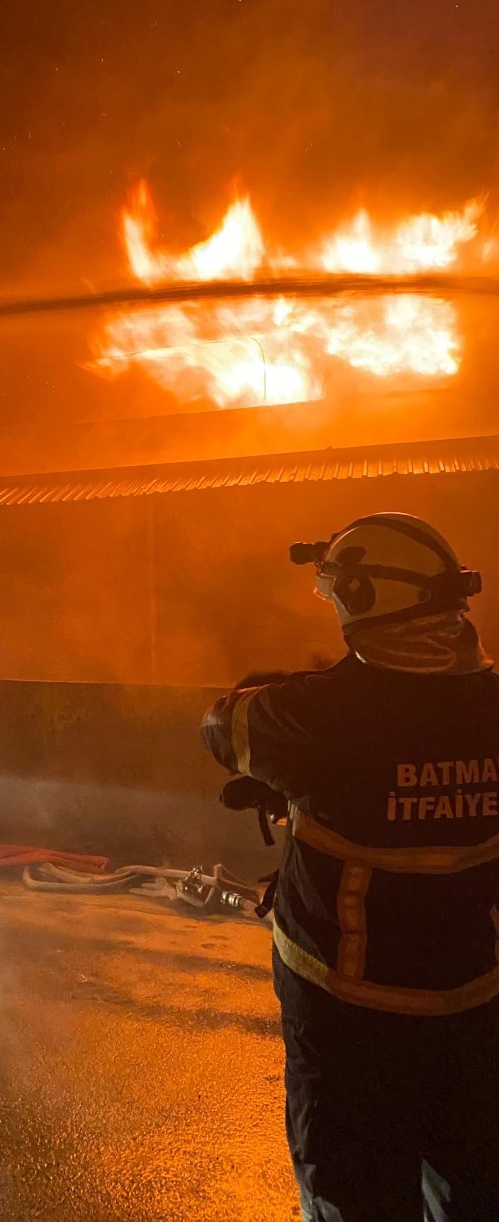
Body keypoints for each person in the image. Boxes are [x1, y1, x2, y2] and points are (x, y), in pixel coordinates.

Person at [201, 513, 499, 1222]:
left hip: (347, 1015)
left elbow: (221, 725)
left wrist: (289, 697)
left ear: (363, 601)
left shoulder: (318, 717)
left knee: (351, 1194)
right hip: (477, 1003)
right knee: (473, 1188)